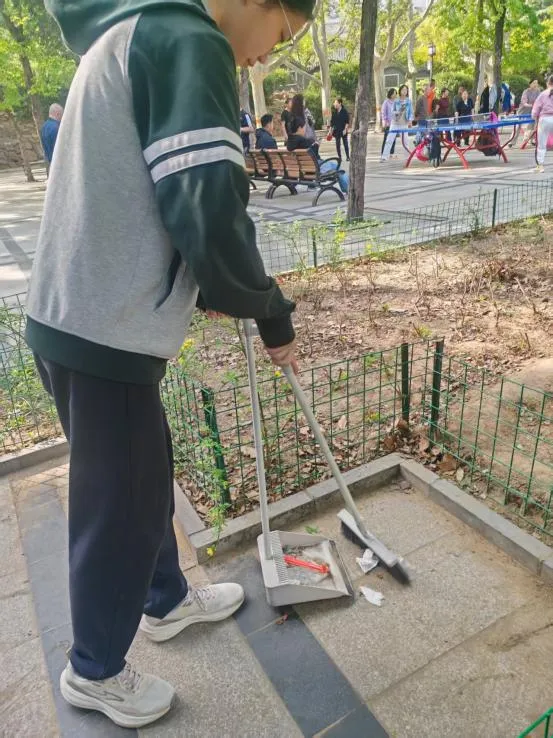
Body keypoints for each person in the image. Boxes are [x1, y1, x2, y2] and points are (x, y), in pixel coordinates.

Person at [25, 0, 314, 729]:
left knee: (142, 473)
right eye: (280, 35)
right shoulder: (187, 39)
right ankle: (94, 669)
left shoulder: (134, 30)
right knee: (118, 507)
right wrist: (269, 310)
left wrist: (214, 287)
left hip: (79, 313)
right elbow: (208, 204)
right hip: (107, 325)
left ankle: (165, 600)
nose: (265, 57)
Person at [287, 117, 348, 193]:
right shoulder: (303, 140)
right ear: (299, 128)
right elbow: (314, 154)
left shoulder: (289, 141)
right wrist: (316, 145)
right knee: (338, 168)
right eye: (304, 127)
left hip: (301, 168)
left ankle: (311, 186)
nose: (305, 129)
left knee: (334, 166)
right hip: (315, 167)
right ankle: (347, 189)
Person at [381, 84, 413, 162]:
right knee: (389, 140)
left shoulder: (409, 101)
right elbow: (392, 112)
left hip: (404, 123)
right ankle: (384, 157)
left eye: (406, 90)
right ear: (400, 91)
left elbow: (411, 112)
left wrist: (410, 121)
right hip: (395, 123)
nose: (404, 91)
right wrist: (399, 111)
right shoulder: (396, 101)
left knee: (405, 141)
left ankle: (407, 158)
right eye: (403, 90)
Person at [532, 75, 553, 173]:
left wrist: (534, 118)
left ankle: (540, 166)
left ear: (548, 83)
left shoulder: (543, 94)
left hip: (545, 120)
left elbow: (535, 109)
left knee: (541, 144)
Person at [511, 79, 541, 147]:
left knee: (532, 126)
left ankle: (528, 140)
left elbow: (540, 100)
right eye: (534, 83)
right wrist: (532, 105)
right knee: (518, 126)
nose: (535, 84)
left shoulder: (538, 91)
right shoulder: (526, 91)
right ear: (530, 84)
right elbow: (524, 102)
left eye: (536, 83)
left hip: (532, 111)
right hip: (523, 111)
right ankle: (512, 141)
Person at [40, 103, 63, 174]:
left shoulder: (44, 127)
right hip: (60, 164)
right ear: (57, 114)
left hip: (51, 164)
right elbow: (60, 149)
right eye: (61, 115)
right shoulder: (57, 127)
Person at [329, 98, 350, 162]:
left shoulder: (344, 111)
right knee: (337, 145)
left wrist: (345, 129)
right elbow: (332, 123)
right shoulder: (334, 112)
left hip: (343, 130)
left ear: (340, 103)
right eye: (334, 103)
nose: (334, 104)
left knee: (345, 144)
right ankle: (339, 157)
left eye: (336, 103)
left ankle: (348, 157)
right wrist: (330, 131)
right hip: (336, 131)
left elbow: (347, 121)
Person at [381, 88, 397, 157]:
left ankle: (391, 153)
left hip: (395, 123)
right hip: (388, 124)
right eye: (393, 93)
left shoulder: (396, 102)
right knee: (386, 139)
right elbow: (383, 113)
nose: (395, 95)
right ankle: (383, 152)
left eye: (395, 93)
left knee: (393, 138)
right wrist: (384, 122)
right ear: (390, 94)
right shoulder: (386, 102)